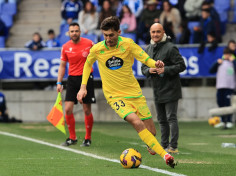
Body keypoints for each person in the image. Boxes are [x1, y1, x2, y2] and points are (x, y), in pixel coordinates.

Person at [77, 16, 176, 168]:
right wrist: (83, 87)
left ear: (119, 32)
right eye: (105, 35)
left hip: (135, 93)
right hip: (114, 96)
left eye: (111, 35)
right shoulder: (97, 49)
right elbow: (87, 64)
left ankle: (151, 144)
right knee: (136, 122)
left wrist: (155, 64)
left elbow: (145, 58)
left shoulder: (128, 44)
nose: (108, 38)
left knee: (151, 132)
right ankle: (166, 155)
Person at [141, 23, 186, 154]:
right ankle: (164, 145)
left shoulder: (171, 47)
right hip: (157, 89)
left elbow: (181, 66)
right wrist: (149, 70)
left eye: (158, 32)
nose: (155, 34)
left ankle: (173, 146)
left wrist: (165, 70)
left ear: (163, 33)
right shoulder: (148, 49)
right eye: (153, 32)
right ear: (150, 33)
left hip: (171, 88)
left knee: (171, 117)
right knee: (161, 119)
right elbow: (143, 69)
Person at [57, 22, 96, 147]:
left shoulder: (89, 44)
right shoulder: (65, 47)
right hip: (72, 79)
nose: (74, 33)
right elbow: (62, 65)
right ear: (69, 33)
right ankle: (72, 138)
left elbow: (99, 56)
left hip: (86, 79)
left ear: (80, 32)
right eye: (72, 31)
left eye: (76, 31)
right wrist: (59, 82)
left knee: (86, 109)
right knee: (67, 109)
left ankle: (88, 138)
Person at [209, 48, 236, 129]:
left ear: (231, 55)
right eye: (225, 54)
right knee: (220, 103)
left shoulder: (233, 63)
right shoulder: (220, 62)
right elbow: (211, 70)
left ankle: (229, 121)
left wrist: (233, 61)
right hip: (220, 86)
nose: (227, 56)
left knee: (228, 105)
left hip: (229, 87)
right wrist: (216, 63)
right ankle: (222, 120)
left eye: (228, 54)